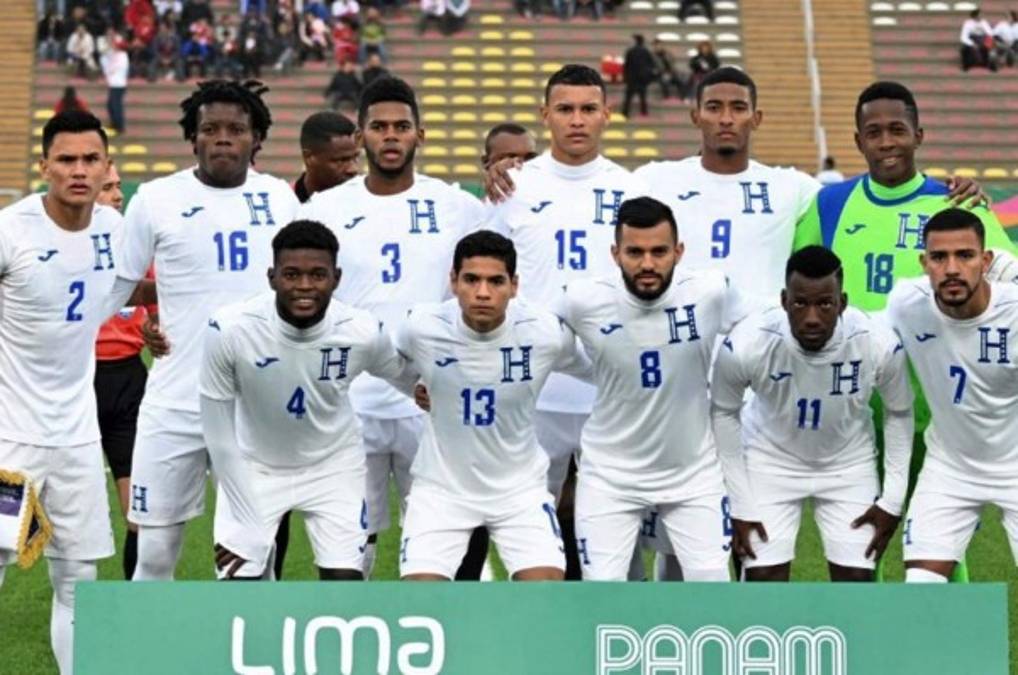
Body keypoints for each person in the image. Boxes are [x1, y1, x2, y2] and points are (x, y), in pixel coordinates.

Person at [794, 81, 1012, 582]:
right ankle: (872, 643)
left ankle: (944, 640)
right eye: (875, 133)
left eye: (897, 130)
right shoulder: (829, 205)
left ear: (919, 135)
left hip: (936, 396)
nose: (887, 142)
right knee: (857, 535)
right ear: (858, 141)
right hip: (853, 398)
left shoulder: (955, 204)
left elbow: (1006, 278)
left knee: (937, 531)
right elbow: (799, 282)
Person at [299, 76, 486, 578]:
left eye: (401, 126)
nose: (391, 136)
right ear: (360, 138)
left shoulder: (459, 207)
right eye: (379, 127)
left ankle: (456, 640)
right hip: (349, 400)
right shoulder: (327, 209)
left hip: (431, 397)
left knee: (450, 534)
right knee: (347, 545)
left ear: (420, 135)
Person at [115, 80, 301, 581]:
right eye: (210, 129)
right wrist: (149, 322)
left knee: (247, 563)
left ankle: (248, 658)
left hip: (253, 408)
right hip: (174, 401)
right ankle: (144, 658)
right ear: (192, 137)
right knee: (154, 553)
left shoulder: (281, 200)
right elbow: (121, 288)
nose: (223, 138)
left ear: (256, 138)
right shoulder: (155, 199)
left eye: (236, 129)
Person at [486, 64, 650, 580]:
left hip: (610, 387)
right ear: (545, 116)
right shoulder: (511, 187)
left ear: (606, 114)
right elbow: (484, 273)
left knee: (616, 528)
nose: (576, 121)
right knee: (528, 523)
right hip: (533, 387)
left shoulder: (631, 189)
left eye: (587, 109)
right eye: (564, 109)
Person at [201, 220, 412, 581]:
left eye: (317, 275)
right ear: (271, 277)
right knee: (238, 593)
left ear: (336, 278)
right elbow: (218, 437)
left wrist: (440, 392)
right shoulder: (230, 330)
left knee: (343, 589)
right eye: (291, 274)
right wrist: (247, 522)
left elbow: (404, 375)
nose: (304, 286)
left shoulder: (361, 331)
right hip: (254, 468)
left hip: (334, 467)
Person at [555, 196, 746, 581]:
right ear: (615, 253)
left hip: (692, 473)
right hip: (610, 475)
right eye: (634, 252)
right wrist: (595, 368)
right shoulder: (582, 299)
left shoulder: (711, 291)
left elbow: (760, 330)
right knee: (604, 592)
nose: (647, 264)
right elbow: (538, 343)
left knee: (713, 589)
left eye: (659, 252)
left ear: (678, 251)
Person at [0, 111, 122, 675]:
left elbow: (131, 290)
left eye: (90, 160)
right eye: (67, 160)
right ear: (44, 164)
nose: (79, 171)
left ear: (105, 167)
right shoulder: (11, 230)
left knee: (79, 579)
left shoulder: (116, 232)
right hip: (8, 442)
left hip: (76, 440)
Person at [396, 231, 591, 581]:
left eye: (495, 281)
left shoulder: (544, 333)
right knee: (419, 601)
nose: (483, 292)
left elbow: (596, 369)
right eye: (471, 279)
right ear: (454, 281)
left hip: (520, 491)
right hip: (440, 491)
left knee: (544, 594)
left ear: (514, 285)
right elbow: (392, 365)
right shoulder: (422, 327)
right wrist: (416, 387)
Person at [712, 246, 914, 582]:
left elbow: (899, 413)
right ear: (783, 300)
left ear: (842, 303)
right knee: (763, 578)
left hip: (848, 465)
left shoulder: (876, 342)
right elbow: (723, 414)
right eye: (800, 303)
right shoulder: (748, 342)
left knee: (856, 582)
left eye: (825, 304)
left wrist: (892, 500)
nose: (811, 317)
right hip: (768, 462)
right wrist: (739, 501)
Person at [887, 208, 1018, 582]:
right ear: (924, 263)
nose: (952, 268)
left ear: (986, 260)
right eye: (939, 257)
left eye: (965, 255)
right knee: (921, 588)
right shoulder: (906, 305)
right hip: (950, 467)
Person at [634, 68, 822, 312]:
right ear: (695, 116)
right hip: (681, 334)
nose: (726, 119)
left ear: (757, 118)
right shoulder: (653, 180)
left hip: (763, 336)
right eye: (713, 108)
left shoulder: (794, 186)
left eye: (739, 108)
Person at [93, 161, 156, 582]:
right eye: (108, 187)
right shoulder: (62, 245)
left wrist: (154, 327)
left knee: (139, 510)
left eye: (118, 186)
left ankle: (134, 608)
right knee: (20, 511)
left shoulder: (137, 247)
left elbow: (156, 306)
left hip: (128, 382)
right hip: (72, 381)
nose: (118, 194)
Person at [294, 111, 359, 203]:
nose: (353, 169)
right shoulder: (282, 207)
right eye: (342, 160)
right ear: (309, 157)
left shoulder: (369, 207)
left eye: (356, 158)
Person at [100, 31, 129, 134]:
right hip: (113, 84)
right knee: (110, 105)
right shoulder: (111, 54)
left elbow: (114, 68)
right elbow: (104, 60)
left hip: (119, 84)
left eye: (114, 45)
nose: (112, 46)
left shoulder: (123, 56)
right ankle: (113, 122)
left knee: (116, 105)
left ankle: (120, 126)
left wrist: (109, 69)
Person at [621, 34, 655, 119]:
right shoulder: (646, 52)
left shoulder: (630, 51)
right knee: (643, 97)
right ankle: (644, 114)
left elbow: (626, 65)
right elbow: (651, 64)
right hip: (642, 79)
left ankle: (625, 114)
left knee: (628, 98)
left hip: (632, 78)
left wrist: (625, 77)